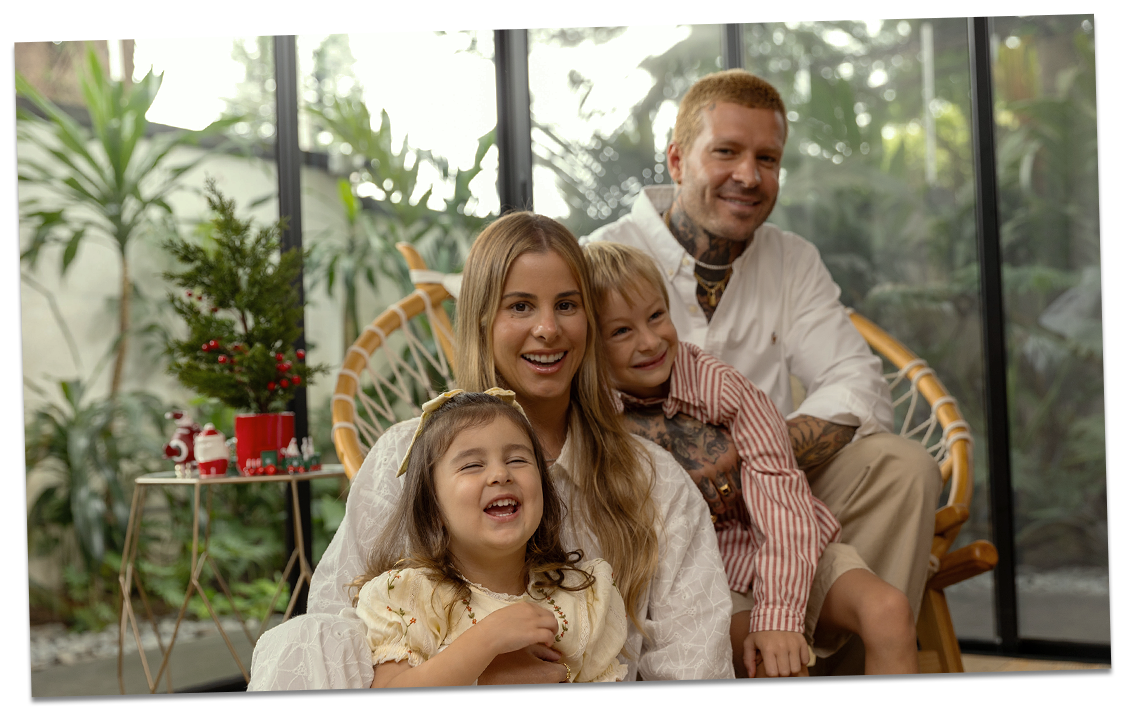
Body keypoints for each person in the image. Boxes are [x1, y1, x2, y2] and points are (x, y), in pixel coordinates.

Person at [248, 212, 734, 689]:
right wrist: (474, 672)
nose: (548, 329)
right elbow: (337, 639)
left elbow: (695, 663)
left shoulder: (653, 481)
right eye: (520, 306)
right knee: (298, 639)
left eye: (567, 304)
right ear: (481, 318)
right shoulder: (404, 455)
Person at [580, 69, 942, 674]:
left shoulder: (792, 258)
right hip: (655, 522)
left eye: (767, 158)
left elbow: (858, 387)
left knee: (905, 468)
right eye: (726, 152)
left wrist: (753, 451)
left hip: (779, 487)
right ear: (677, 159)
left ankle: (843, 654)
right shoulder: (603, 260)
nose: (749, 176)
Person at [583, 241, 918, 677]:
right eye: (621, 332)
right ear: (589, 344)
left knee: (889, 611)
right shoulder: (591, 415)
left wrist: (779, 615)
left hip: (778, 547)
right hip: (701, 577)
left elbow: (782, 498)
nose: (649, 341)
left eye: (656, 317)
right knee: (771, 662)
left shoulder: (722, 388)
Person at [355, 389, 627, 686]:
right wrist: (488, 638)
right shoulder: (411, 596)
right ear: (432, 508)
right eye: (472, 465)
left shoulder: (583, 597)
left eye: (517, 460)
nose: (501, 474)